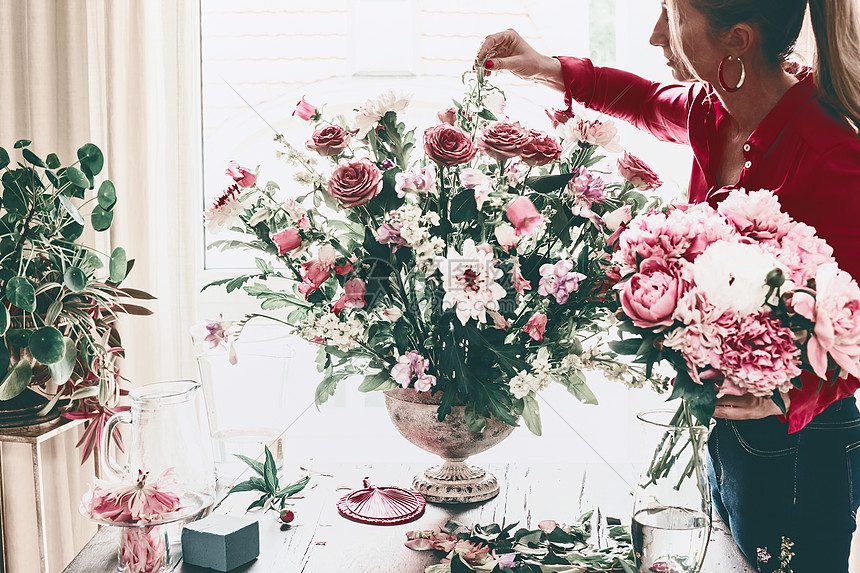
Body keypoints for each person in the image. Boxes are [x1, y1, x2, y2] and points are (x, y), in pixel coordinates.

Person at [477, 1, 860, 571]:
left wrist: (784, 396)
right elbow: (645, 101)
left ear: (737, 40)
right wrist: (545, 68)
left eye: (673, 17)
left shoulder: (831, 153)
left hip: (805, 444)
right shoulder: (715, 109)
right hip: (729, 430)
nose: (657, 34)